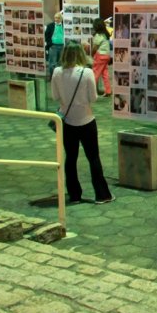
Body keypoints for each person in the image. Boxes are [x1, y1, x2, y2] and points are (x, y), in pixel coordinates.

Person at [51, 42, 114, 205]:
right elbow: (93, 98)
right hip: (86, 120)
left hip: (67, 120)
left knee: (70, 158)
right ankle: (102, 194)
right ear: (80, 54)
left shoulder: (57, 72)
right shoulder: (86, 73)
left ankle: (74, 194)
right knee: (93, 157)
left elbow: (55, 96)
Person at [90, 18, 112, 97]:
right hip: (107, 56)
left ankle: (91, 93)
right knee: (105, 74)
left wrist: (92, 55)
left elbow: (95, 48)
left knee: (95, 74)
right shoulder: (105, 35)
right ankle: (108, 91)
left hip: (100, 56)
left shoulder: (98, 36)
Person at [45, 11, 65, 79]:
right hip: (53, 46)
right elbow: (46, 36)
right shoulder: (50, 26)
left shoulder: (64, 25)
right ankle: (52, 77)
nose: (56, 19)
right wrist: (50, 44)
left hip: (62, 46)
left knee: (60, 63)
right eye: (55, 18)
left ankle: (59, 78)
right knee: (52, 63)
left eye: (58, 18)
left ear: (61, 19)